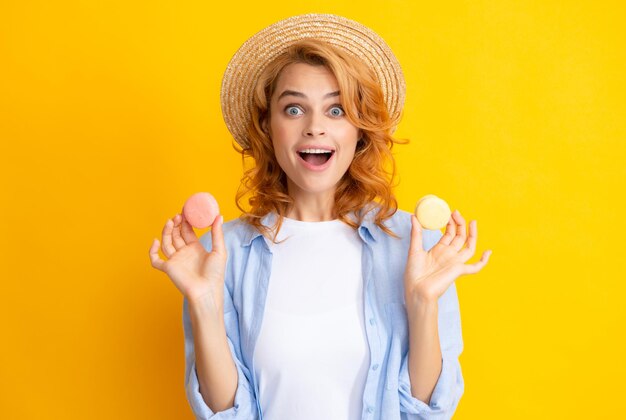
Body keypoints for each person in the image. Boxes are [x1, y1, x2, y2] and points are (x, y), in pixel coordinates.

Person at [149, 13, 492, 420]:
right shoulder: (221, 255)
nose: (315, 128)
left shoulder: (416, 246)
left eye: (336, 110)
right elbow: (227, 414)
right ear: (267, 127)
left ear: (360, 129)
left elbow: (423, 414)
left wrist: (422, 303)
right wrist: (204, 303)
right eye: (294, 109)